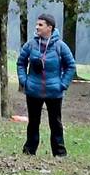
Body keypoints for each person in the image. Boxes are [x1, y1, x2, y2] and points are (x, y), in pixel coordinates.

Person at [17, 14, 76, 157]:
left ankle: (59, 153)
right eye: (37, 24)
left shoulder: (60, 46)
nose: (37, 27)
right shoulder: (30, 45)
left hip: (54, 92)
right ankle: (29, 151)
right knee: (33, 123)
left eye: (41, 25)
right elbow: (21, 63)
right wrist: (25, 81)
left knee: (55, 124)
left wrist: (62, 85)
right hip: (33, 91)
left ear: (50, 27)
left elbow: (71, 66)